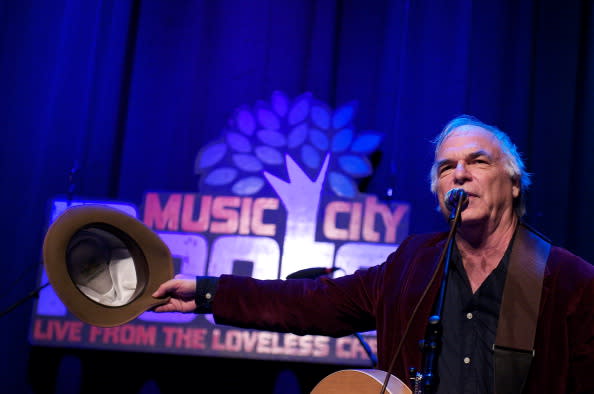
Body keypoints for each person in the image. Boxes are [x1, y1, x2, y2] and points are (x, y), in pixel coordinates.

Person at [151, 115, 594, 393]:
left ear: (514, 183)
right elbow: (315, 302)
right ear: (438, 192)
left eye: (478, 162)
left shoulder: (569, 280)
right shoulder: (411, 265)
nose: (459, 174)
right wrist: (208, 294)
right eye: (445, 168)